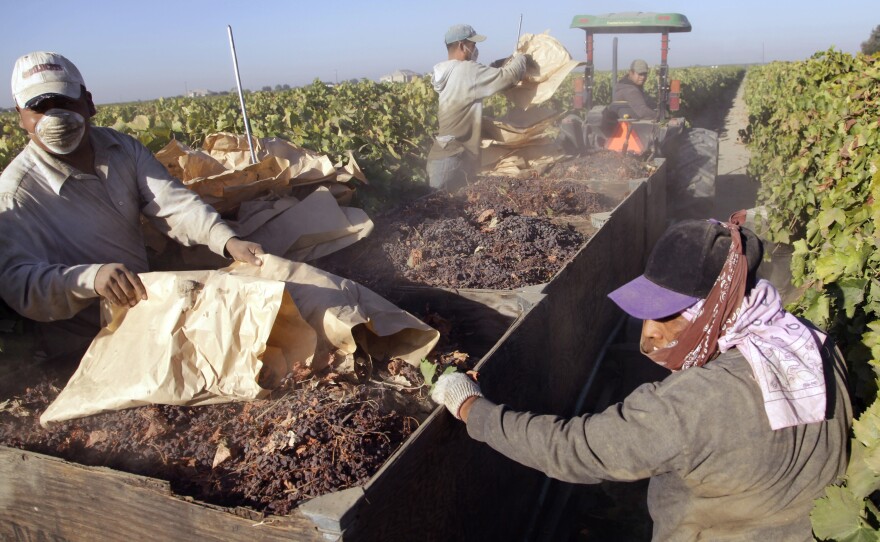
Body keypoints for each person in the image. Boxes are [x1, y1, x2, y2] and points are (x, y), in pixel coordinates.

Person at [432, 212, 852, 540]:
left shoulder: (695, 404)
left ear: (713, 309)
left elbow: (575, 448)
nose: (648, 332)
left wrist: (472, 408)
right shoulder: (811, 343)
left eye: (667, 313)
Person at [0, 51, 265, 361]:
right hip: (85, 344)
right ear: (21, 117)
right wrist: (90, 279)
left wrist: (226, 240)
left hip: (147, 310)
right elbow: (19, 283)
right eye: (39, 109)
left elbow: (172, 204)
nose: (54, 117)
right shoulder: (16, 192)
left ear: (88, 102)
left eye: (64, 103)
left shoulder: (121, 148)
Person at [426, 24, 527, 192]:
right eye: (473, 45)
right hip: (452, 159)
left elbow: (478, 79)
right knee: (441, 211)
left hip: (446, 156)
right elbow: (509, 76)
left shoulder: (448, 70)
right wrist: (521, 58)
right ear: (461, 46)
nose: (475, 49)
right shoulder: (466, 69)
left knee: (448, 211)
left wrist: (498, 64)